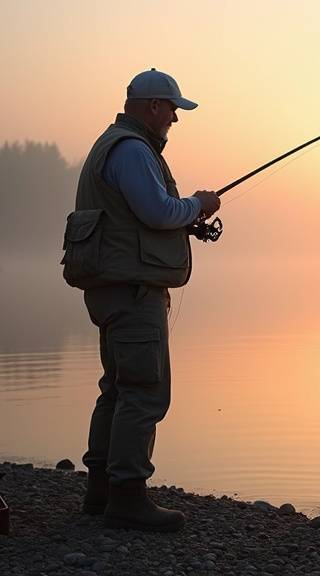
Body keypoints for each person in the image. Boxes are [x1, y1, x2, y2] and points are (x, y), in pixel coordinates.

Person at [60, 68, 220, 532]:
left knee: (117, 388)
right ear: (153, 106)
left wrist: (185, 216)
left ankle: (101, 491)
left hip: (112, 287)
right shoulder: (132, 150)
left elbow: (137, 216)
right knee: (144, 392)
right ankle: (128, 497)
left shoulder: (112, 144)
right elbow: (156, 210)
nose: (175, 118)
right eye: (172, 109)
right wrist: (198, 204)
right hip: (131, 292)